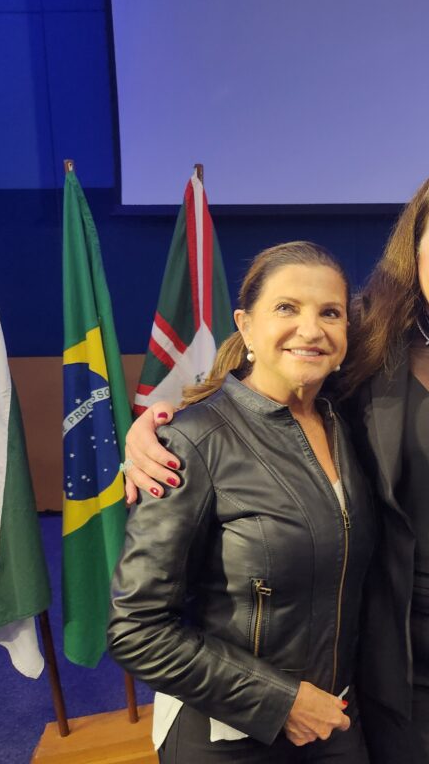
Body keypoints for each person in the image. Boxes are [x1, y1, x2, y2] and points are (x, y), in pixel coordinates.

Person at [124, 162, 429, 764]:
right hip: (401, 666)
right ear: (417, 253)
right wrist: (165, 420)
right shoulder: (369, 349)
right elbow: (268, 379)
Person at [108, 242, 376, 763]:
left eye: (330, 313)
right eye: (286, 308)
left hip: (335, 725)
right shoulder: (193, 442)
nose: (311, 328)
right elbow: (136, 629)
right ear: (246, 325)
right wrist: (282, 702)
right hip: (226, 738)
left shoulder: (355, 426)